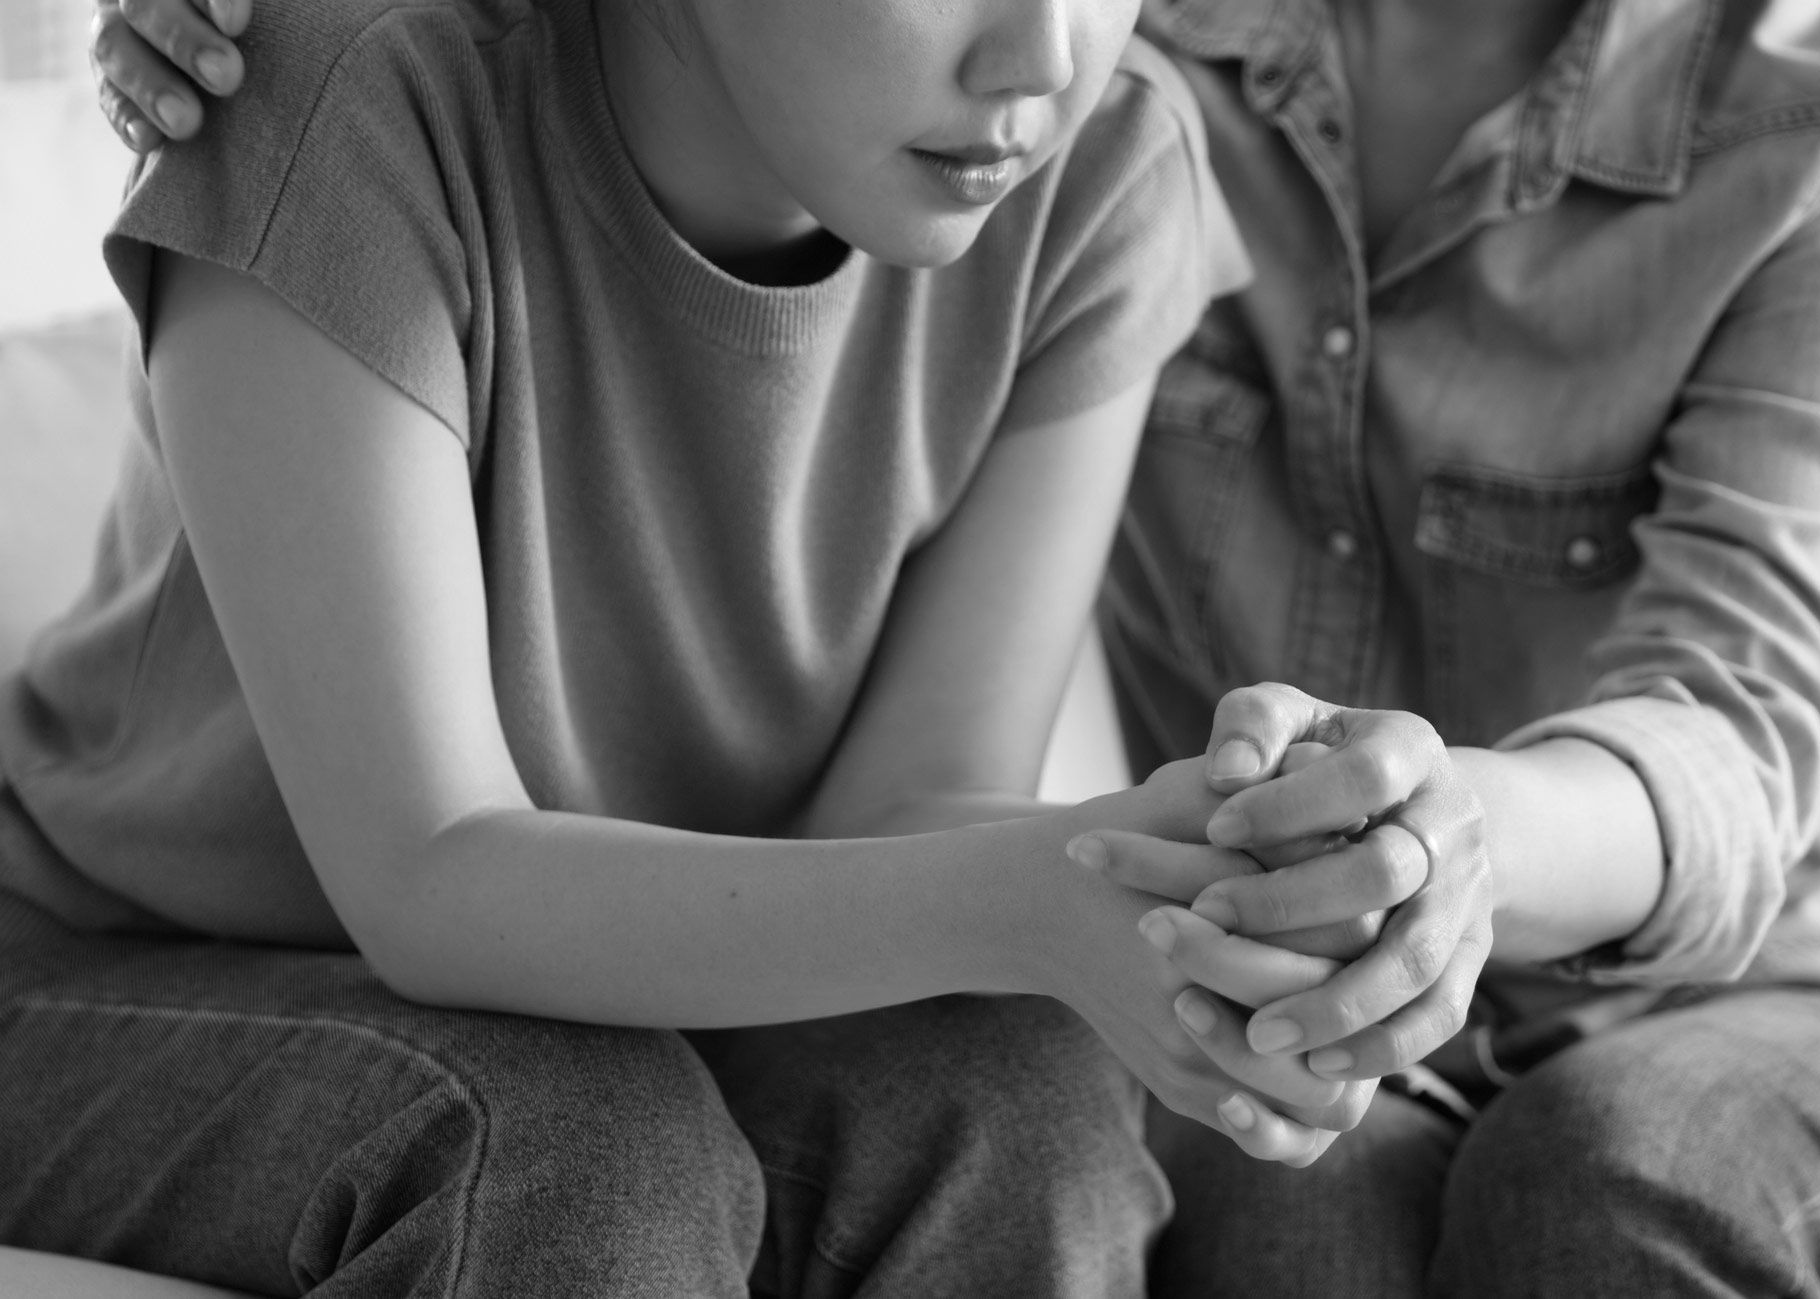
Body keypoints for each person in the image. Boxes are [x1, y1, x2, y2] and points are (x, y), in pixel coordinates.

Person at [88, 0, 1820, 1295]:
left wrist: (1376, 848)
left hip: (1775, 967)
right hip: (1275, 970)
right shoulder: (1128, 80)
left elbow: (1739, 723)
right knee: (1232, 1215)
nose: (1033, 55)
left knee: (1599, 1190)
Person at [0, 0, 1406, 1295]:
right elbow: (427, 875)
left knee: (1019, 1101)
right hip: (124, 963)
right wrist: (1026, 899)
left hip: (675, 983)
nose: (1041, 59)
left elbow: (904, 810)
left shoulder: (1102, 163)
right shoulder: (354, 93)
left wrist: (1173, 871)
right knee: (570, 1155)